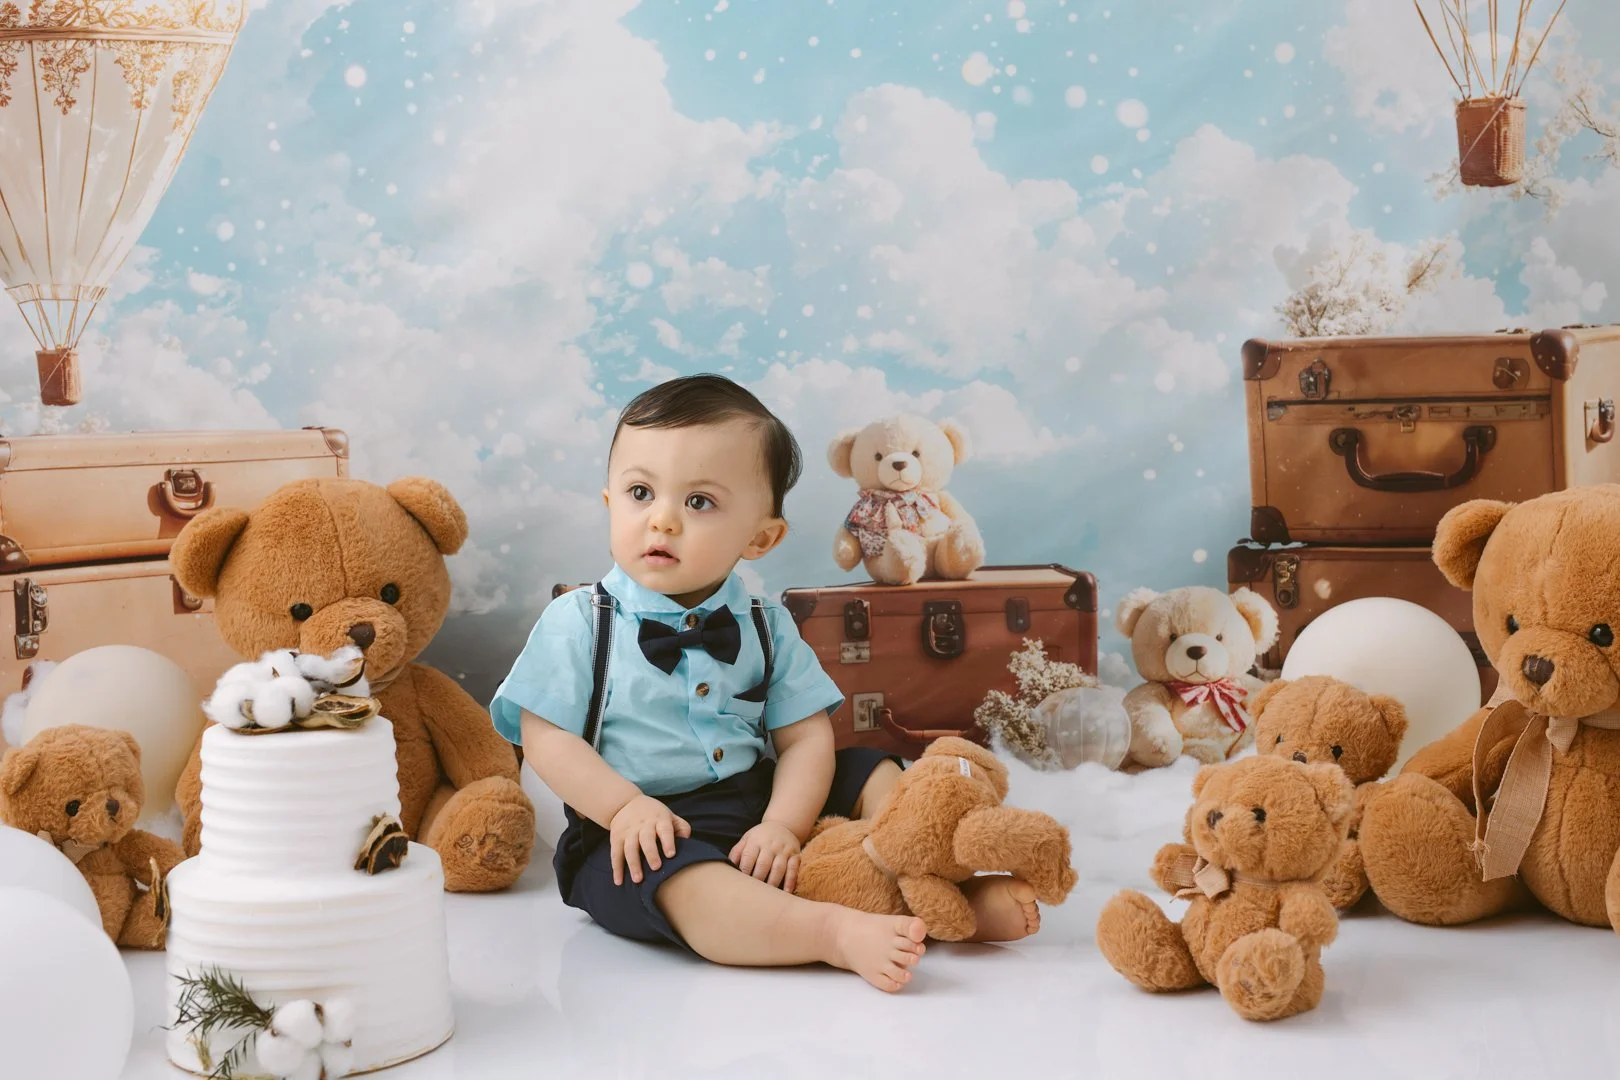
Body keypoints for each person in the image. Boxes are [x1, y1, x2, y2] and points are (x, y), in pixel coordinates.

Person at [491, 374, 1035, 991]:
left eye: (699, 502)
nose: (662, 520)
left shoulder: (765, 623)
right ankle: (828, 931)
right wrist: (624, 808)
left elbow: (805, 739)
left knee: (874, 768)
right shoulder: (581, 621)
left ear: (760, 537)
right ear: (611, 501)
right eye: (641, 492)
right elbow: (547, 739)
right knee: (690, 891)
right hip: (636, 829)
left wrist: (783, 823)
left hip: (761, 798)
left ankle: (944, 882)